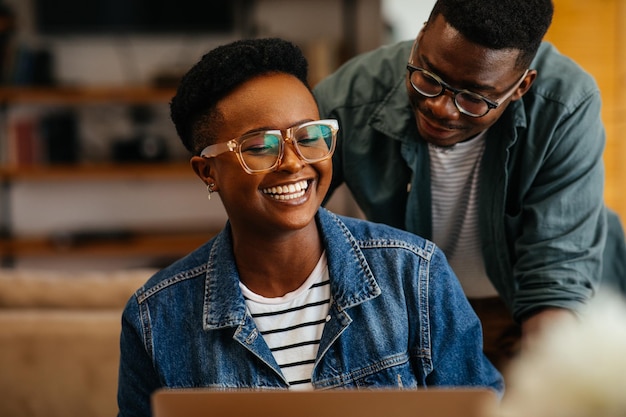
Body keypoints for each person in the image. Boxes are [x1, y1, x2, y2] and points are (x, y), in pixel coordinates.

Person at [116, 38, 503, 417]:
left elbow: (481, 409)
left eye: (309, 136)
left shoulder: (414, 274)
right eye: (259, 146)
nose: (292, 162)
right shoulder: (155, 318)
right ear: (207, 172)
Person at [313, 0, 625, 371]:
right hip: (426, 314)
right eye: (429, 78)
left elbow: (554, 287)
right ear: (421, 37)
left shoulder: (565, 105)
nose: (442, 108)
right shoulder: (351, 98)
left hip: (534, 313)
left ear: (521, 87)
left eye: (474, 99)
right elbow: (283, 213)